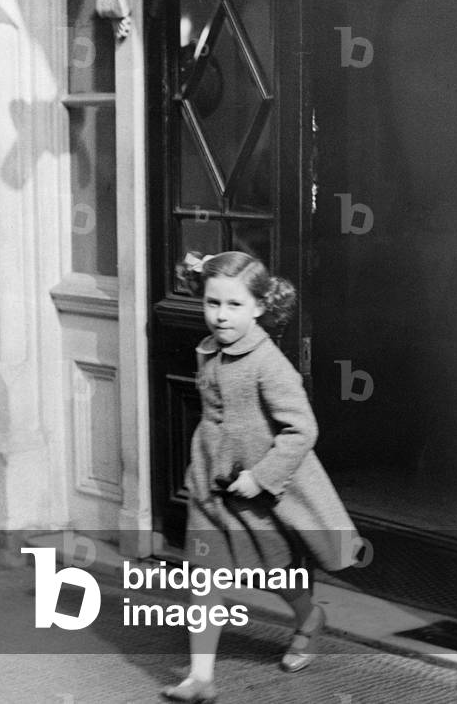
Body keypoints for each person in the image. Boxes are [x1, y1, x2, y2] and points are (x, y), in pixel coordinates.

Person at [161, 251, 357, 703]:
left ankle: (307, 618)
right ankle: (201, 678)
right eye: (213, 303)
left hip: (260, 491)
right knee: (204, 576)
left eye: (233, 305)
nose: (221, 315)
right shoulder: (210, 350)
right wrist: (202, 466)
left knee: (277, 574)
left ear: (259, 307)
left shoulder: (269, 364)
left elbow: (302, 429)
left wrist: (261, 477)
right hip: (212, 485)